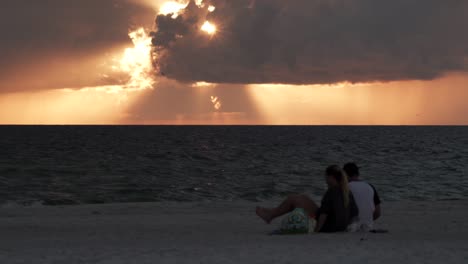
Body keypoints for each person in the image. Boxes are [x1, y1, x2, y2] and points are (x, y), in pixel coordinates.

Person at [256, 165, 358, 233]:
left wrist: (317, 230)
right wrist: (346, 227)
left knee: (293, 199)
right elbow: (354, 214)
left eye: (326, 177)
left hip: (328, 226)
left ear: (331, 177)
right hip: (339, 227)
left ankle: (270, 215)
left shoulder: (332, 191)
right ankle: (271, 212)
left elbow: (324, 214)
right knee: (302, 197)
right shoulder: (346, 191)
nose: (325, 180)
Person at [343, 163, 381, 231]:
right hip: (367, 227)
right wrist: (367, 219)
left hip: (350, 227)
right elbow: (378, 213)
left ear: (344, 175)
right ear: (358, 174)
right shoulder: (370, 187)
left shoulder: (345, 188)